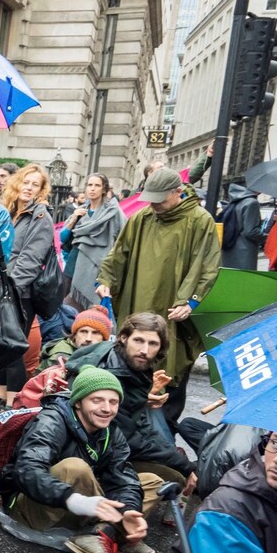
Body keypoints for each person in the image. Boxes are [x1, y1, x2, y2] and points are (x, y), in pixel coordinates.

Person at [0, 367, 152, 553]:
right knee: (75, 467)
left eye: (113, 402)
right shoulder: (52, 420)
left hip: (81, 505)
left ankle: (102, 533)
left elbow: (123, 478)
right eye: (97, 400)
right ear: (78, 402)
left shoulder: (112, 432)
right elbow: (27, 470)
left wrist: (130, 510)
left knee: (152, 482)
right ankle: (114, 532)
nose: (107, 408)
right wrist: (74, 500)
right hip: (35, 506)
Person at [95, 167, 220, 426]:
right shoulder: (143, 217)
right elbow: (119, 253)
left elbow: (207, 265)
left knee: (170, 364)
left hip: (175, 308)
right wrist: (106, 280)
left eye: (160, 199)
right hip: (138, 298)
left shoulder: (200, 220)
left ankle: (164, 432)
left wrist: (190, 301)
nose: (154, 205)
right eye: (150, 199)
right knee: (132, 358)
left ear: (178, 192)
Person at [66, 311, 195, 498]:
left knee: (174, 472)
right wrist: (183, 464)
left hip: (109, 446)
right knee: (171, 477)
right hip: (88, 452)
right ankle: (111, 522)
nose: (144, 350)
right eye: (139, 341)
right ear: (124, 338)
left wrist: (176, 457)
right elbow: (127, 438)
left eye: (153, 344)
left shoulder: (133, 366)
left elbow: (139, 421)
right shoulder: (112, 374)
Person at [0, 163, 55, 409]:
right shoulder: (9, 211)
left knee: (12, 348)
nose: (28, 188)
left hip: (20, 294)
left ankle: (13, 406)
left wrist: (10, 290)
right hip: (1, 288)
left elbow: (31, 259)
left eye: (35, 185)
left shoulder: (40, 215)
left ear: (41, 190)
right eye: (26, 182)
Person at [61, 172, 125, 309]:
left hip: (99, 266)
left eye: (97, 185)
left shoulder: (113, 212)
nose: (92, 188)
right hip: (74, 264)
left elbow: (123, 238)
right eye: (90, 185)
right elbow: (63, 238)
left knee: (94, 309)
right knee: (66, 309)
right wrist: (73, 220)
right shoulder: (80, 211)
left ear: (104, 189)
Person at [38, 304, 111, 371]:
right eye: (83, 331)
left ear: (104, 339)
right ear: (75, 335)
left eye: (95, 333)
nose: (88, 338)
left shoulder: (107, 352)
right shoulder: (61, 357)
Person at [219, 182, 263, 271]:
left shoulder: (237, 201)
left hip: (231, 249)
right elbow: (250, 231)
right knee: (244, 280)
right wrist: (268, 236)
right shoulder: (252, 202)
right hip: (245, 252)